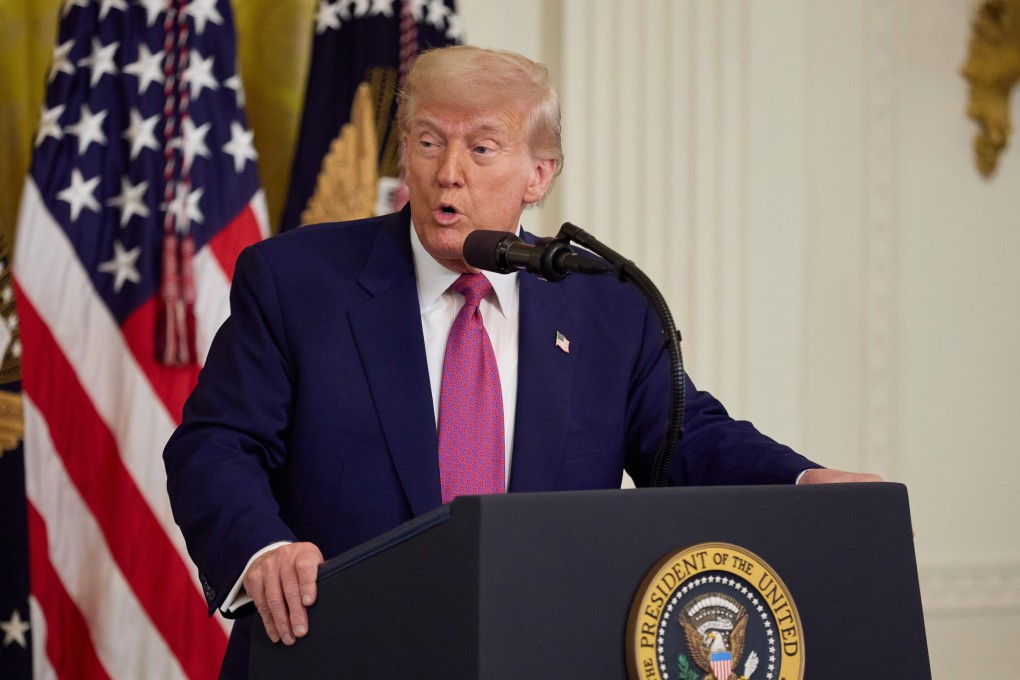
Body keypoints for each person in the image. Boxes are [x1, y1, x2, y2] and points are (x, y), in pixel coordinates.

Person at [163, 45, 880, 679]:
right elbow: (215, 446)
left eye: (481, 149)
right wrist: (263, 552)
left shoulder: (606, 305)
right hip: (339, 648)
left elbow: (687, 440)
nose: (449, 174)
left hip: (543, 652)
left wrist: (803, 479)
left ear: (539, 175)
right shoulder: (296, 283)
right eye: (427, 142)